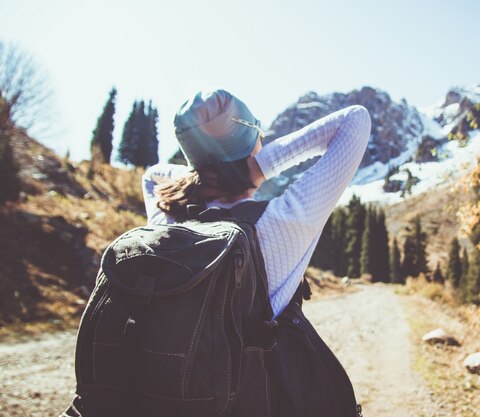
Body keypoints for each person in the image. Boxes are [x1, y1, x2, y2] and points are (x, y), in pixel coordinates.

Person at [142, 89, 371, 416]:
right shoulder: (285, 219)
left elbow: (153, 175)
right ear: (252, 145)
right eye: (259, 135)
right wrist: (256, 168)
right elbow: (355, 120)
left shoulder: (166, 219)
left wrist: (209, 172)